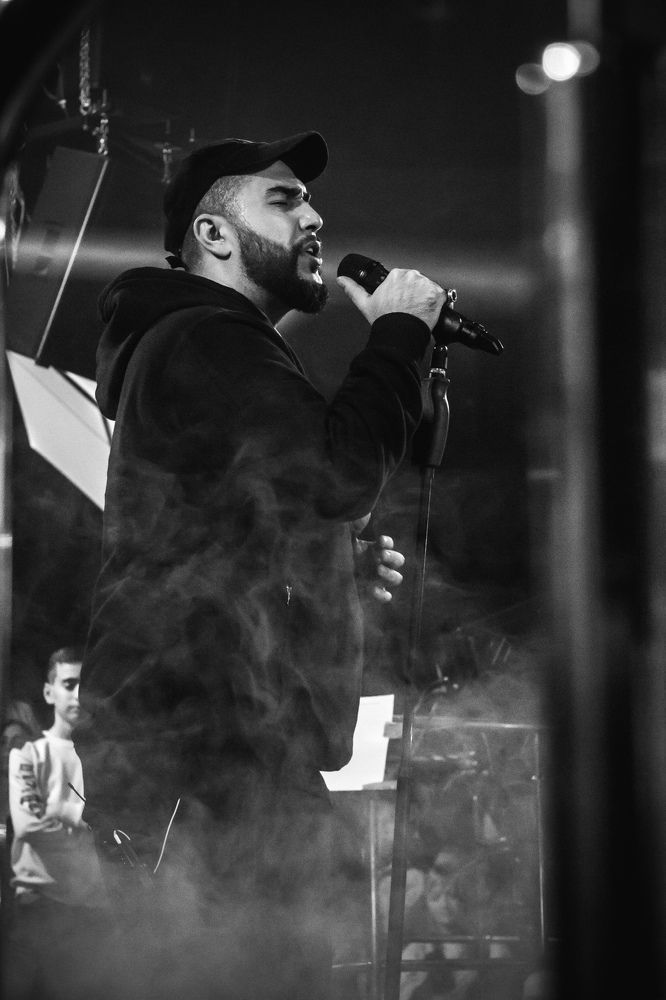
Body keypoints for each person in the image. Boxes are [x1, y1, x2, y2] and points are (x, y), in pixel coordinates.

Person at [76, 129, 447, 1000]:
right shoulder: (209, 336)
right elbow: (339, 470)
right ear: (213, 233)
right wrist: (398, 335)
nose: (314, 217)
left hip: (215, 756)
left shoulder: (207, 346)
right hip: (207, 764)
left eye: (309, 200)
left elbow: (238, 526)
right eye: (283, 200)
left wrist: (326, 571)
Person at [3, 647, 110, 1000]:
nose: (77, 695)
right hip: (40, 906)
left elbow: (83, 829)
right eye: (68, 684)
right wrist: (76, 831)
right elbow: (30, 826)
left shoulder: (81, 756)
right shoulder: (28, 753)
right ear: (49, 692)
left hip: (78, 906)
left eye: (82, 686)